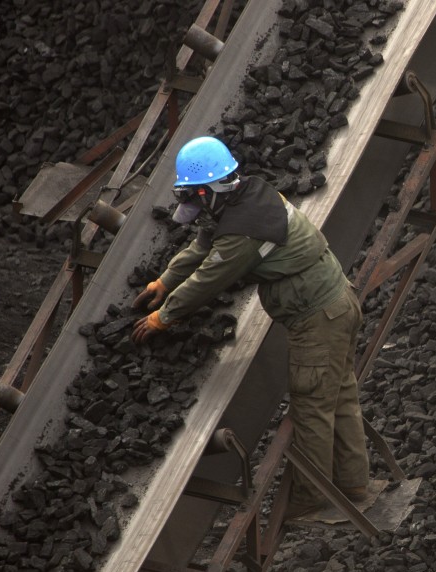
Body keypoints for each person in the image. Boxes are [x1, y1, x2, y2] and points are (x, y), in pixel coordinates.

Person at [131, 136, 370, 518]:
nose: (192, 207)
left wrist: (165, 316)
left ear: (208, 191)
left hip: (319, 318)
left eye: (193, 198)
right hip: (335, 303)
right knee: (339, 394)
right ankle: (355, 484)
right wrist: (164, 280)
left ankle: (310, 501)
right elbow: (201, 246)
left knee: (312, 407)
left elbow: (210, 277)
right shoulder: (247, 195)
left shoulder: (244, 230)